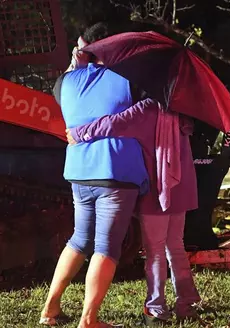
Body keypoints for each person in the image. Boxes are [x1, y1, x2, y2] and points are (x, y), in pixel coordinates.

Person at [40, 23, 149, 328]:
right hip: (115, 171)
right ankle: (89, 320)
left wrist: (77, 63)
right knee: (107, 247)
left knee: (79, 239)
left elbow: (67, 93)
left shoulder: (65, 83)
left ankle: (50, 308)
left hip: (78, 172)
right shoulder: (128, 79)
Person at [67, 97, 202, 326]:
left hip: (158, 188)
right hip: (181, 188)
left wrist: (78, 133)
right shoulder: (183, 110)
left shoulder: (146, 108)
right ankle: (186, 304)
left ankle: (156, 309)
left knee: (155, 251)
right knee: (175, 246)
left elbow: (112, 124)